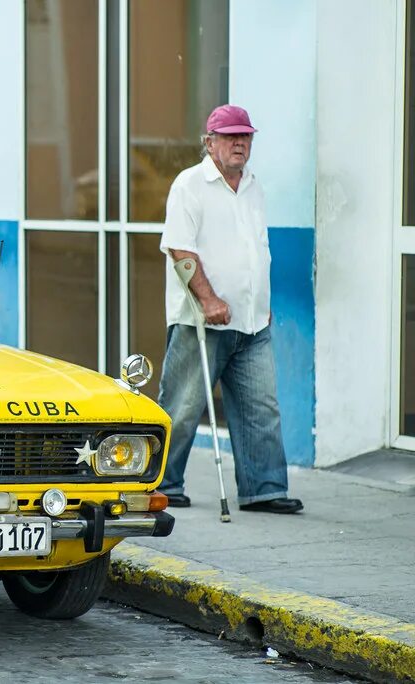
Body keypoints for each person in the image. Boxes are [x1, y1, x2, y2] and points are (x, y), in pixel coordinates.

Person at [156, 104, 303, 515]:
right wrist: (208, 300)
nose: (239, 143)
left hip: (253, 322)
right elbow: (180, 249)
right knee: (183, 406)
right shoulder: (190, 185)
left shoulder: (254, 185)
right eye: (230, 136)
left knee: (262, 407)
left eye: (246, 136)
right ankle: (163, 483)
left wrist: (262, 301)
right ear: (210, 142)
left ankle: (265, 489)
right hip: (202, 321)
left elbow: (256, 248)